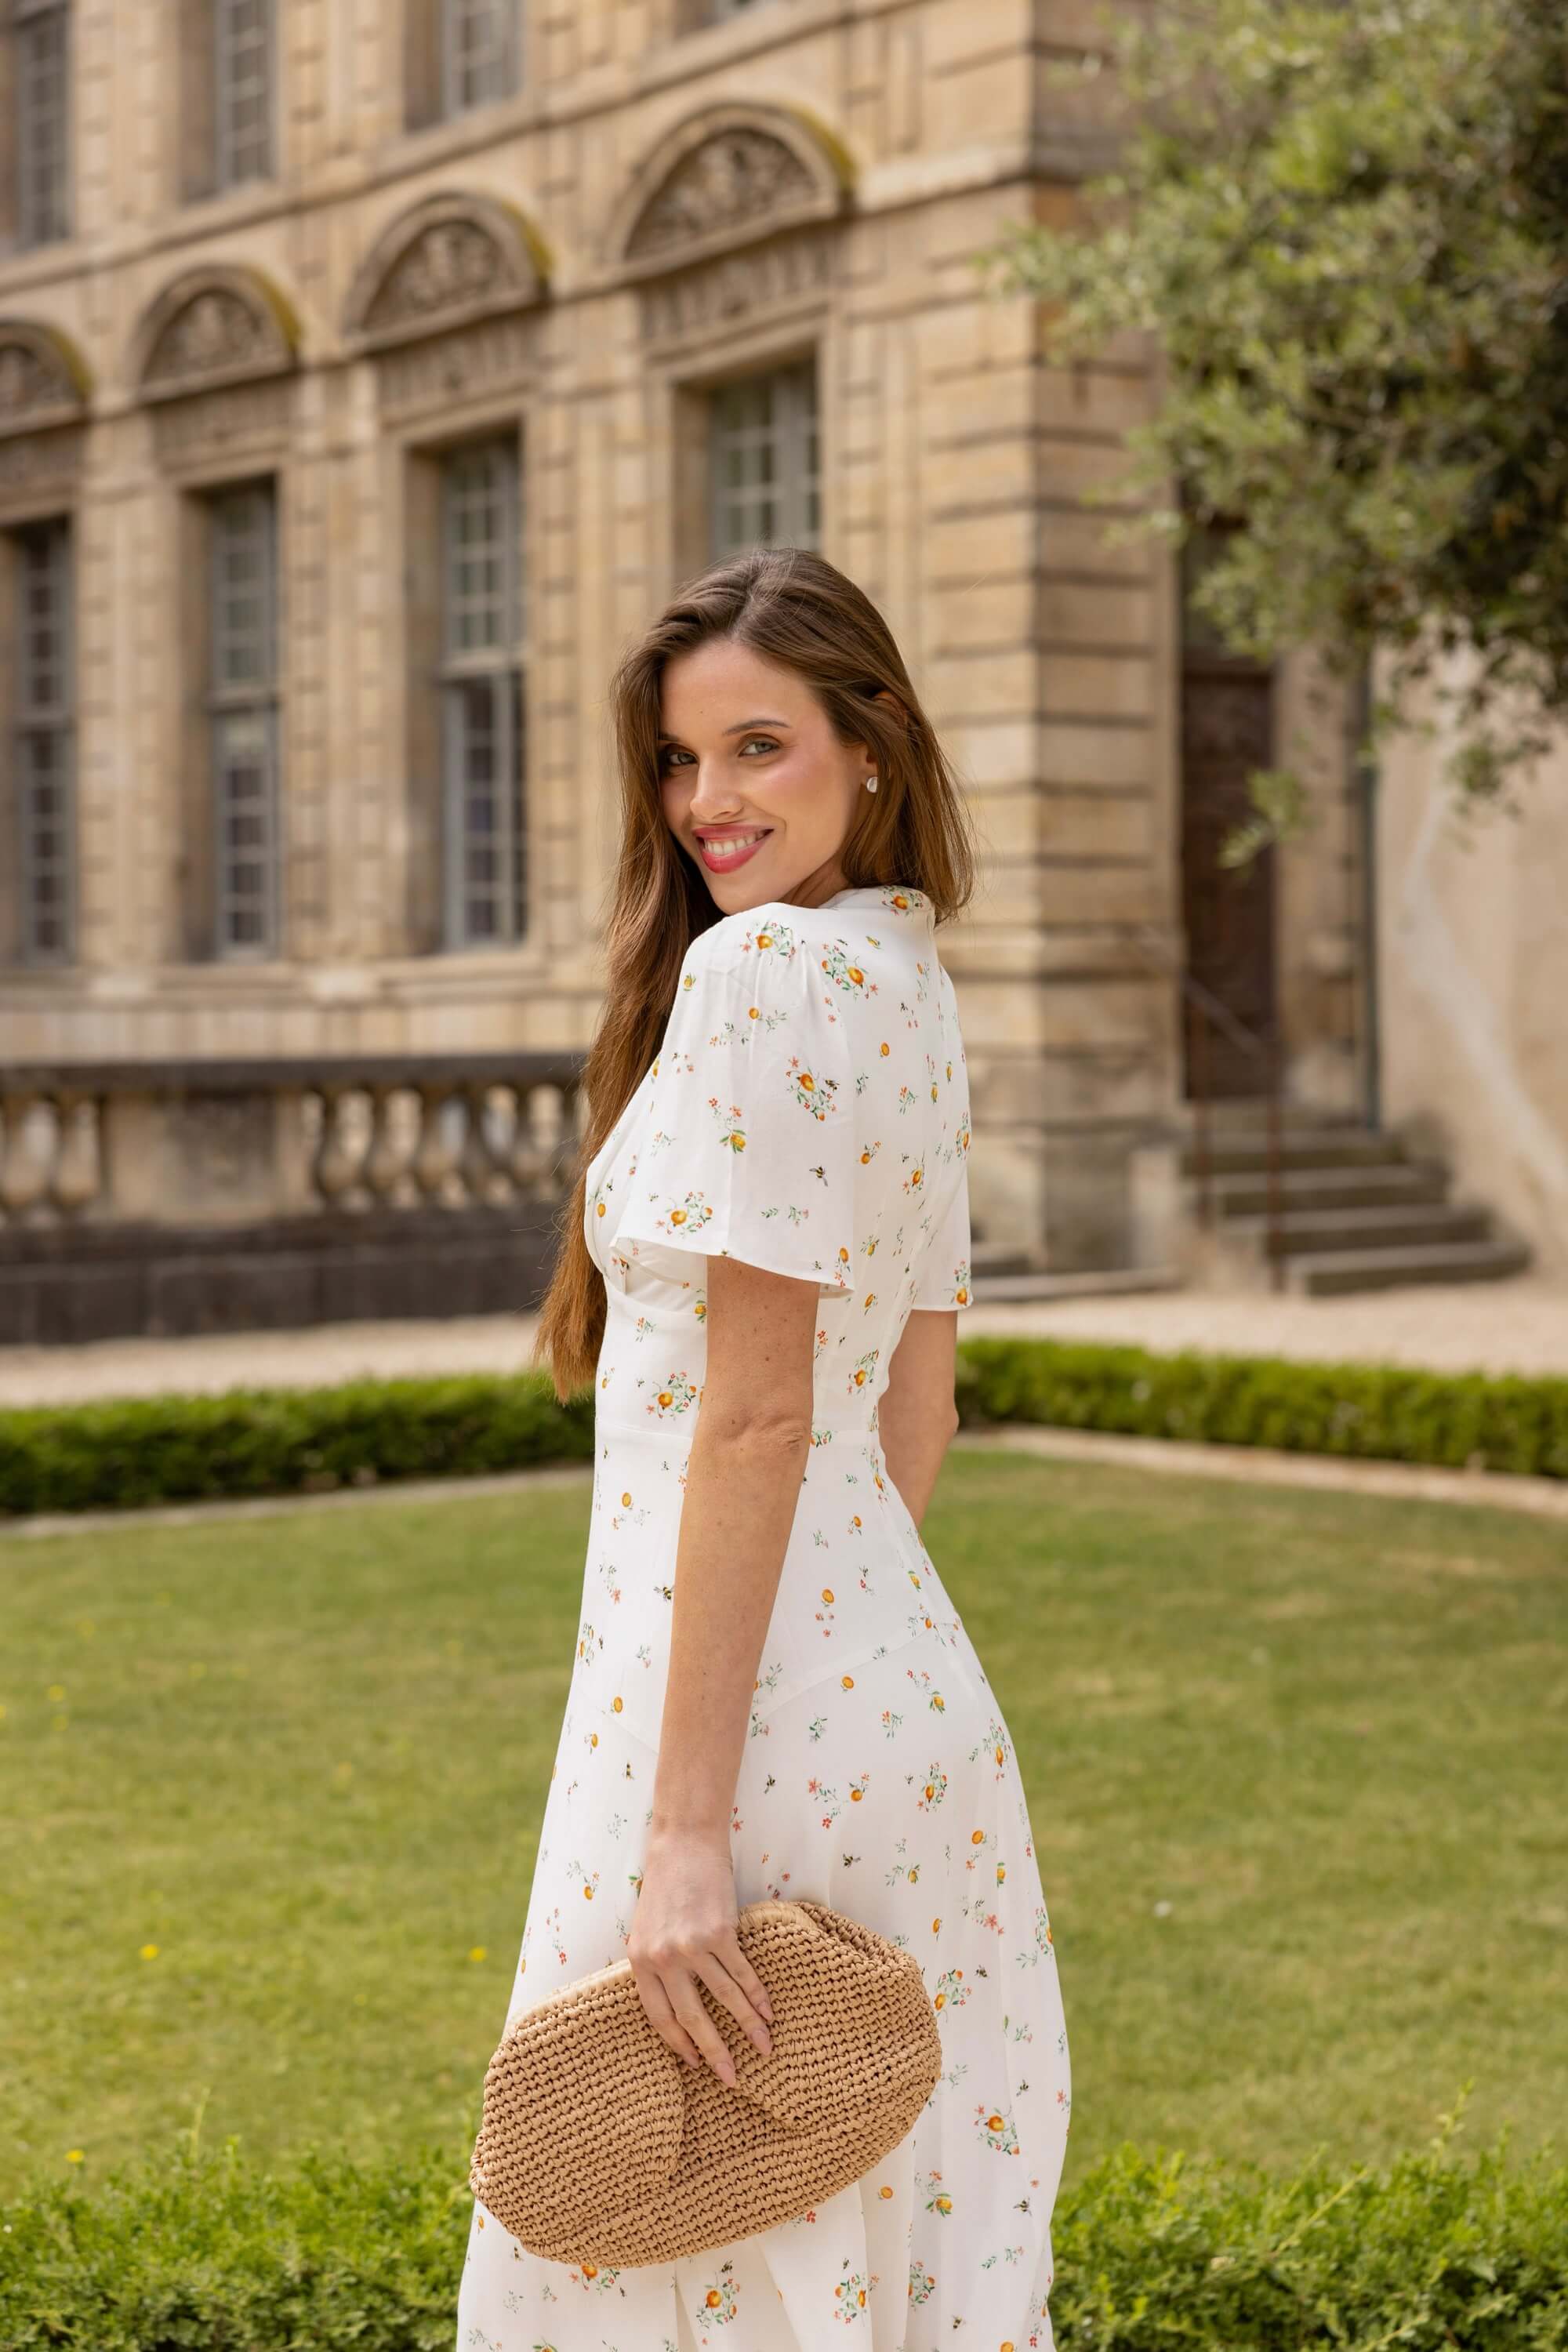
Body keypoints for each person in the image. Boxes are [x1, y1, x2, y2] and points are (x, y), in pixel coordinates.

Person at [456, 546, 1070, 2351]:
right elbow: (915, 1408)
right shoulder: (903, 976)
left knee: (656, 2230)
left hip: (728, 1725)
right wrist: (838, 1652)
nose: (706, 801)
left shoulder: (765, 977)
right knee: (883, 2234)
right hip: (897, 1697)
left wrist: (688, 1827)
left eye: (757, 747)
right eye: (677, 759)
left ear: (871, 746)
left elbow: (756, 1414)